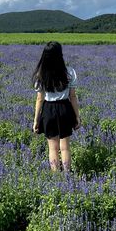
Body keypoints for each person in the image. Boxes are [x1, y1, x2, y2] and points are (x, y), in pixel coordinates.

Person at [32, 41, 81, 171]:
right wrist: (77, 117)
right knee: (65, 148)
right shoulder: (69, 72)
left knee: (52, 148)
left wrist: (36, 120)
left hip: (48, 110)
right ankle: (67, 176)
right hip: (65, 109)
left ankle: (56, 179)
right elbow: (73, 97)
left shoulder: (40, 74)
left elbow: (39, 99)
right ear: (60, 55)